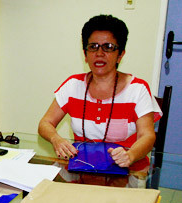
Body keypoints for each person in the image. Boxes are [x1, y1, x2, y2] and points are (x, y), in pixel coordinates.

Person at [38, 14, 162, 186]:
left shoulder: (137, 89)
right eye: (93, 46)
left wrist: (131, 155)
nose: (99, 53)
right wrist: (56, 139)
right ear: (85, 54)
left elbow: (147, 136)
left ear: (120, 55)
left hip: (128, 172)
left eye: (108, 47)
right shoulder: (73, 85)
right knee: (48, 200)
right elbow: (45, 123)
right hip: (80, 169)